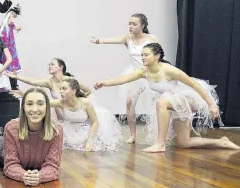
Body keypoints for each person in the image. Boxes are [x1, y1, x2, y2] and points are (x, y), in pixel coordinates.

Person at [94, 43, 240, 152]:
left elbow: (195, 85)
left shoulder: (169, 70)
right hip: (175, 104)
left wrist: (212, 105)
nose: (143, 57)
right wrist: (104, 83)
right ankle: (221, 142)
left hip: (189, 99)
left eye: (146, 55)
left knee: (161, 102)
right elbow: (123, 79)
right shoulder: (143, 72)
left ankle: (160, 143)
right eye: (142, 55)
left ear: (157, 56)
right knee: (184, 142)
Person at [90, 13, 159, 144]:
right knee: (129, 103)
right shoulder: (128, 39)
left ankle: (158, 134)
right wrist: (98, 40)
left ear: (142, 26)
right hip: (134, 74)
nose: (130, 26)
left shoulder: (151, 39)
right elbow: (114, 40)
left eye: (134, 24)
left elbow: (158, 55)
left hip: (149, 74)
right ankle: (133, 135)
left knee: (156, 104)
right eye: (129, 23)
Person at [3, 88, 63, 186]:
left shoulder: (56, 130)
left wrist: (40, 176)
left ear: (47, 107)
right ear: (23, 107)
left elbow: (53, 165)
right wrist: (25, 175)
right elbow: (10, 164)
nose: (35, 109)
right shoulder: (11, 128)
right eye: (30, 104)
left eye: (40, 104)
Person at [6, 58, 93, 122]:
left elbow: (88, 90)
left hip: (73, 110)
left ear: (61, 67)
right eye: (49, 65)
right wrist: (17, 77)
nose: (50, 66)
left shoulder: (70, 80)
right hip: (59, 113)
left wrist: (76, 102)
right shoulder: (49, 82)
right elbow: (34, 81)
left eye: (52, 64)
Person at [50, 79, 122, 151]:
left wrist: (90, 141)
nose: (60, 91)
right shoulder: (60, 102)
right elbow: (46, 103)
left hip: (86, 129)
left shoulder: (85, 102)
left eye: (64, 89)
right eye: (60, 89)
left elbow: (95, 122)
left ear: (73, 91)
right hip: (70, 130)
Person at [0, 5, 22, 90]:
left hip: (7, 42)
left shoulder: (4, 23)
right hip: (8, 43)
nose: (16, 16)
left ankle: (11, 83)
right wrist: (19, 27)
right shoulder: (10, 18)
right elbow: (12, 24)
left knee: (7, 59)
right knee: (11, 59)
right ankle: (13, 85)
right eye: (16, 14)